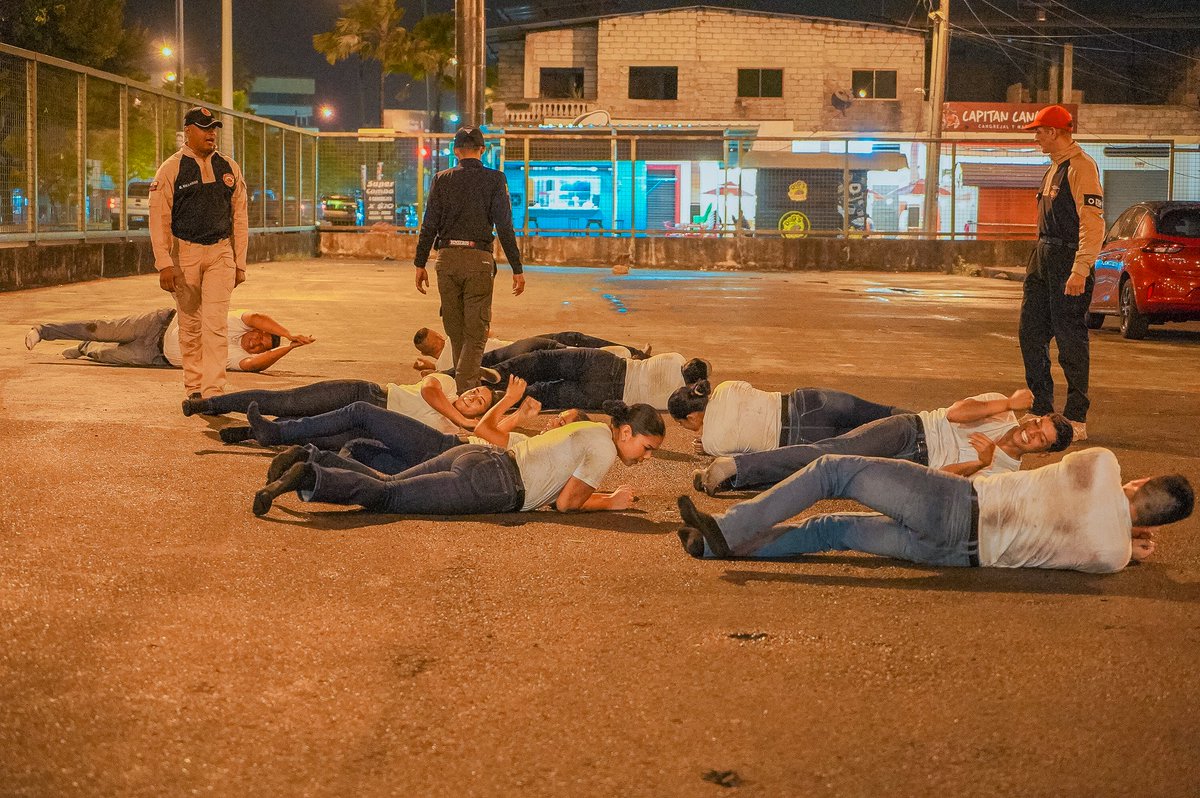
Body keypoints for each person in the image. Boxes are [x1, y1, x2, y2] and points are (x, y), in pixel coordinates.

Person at [676, 449, 1193, 574]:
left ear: (1140, 481)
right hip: (953, 555)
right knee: (829, 530)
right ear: (1150, 524)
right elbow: (1114, 540)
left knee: (833, 470)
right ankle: (714, 549)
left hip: (956, 504)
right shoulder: (1113, 557)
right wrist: (1132, 544)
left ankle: (727, 528)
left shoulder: (1102, 464)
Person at [253, 393, 665, 518]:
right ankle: (309, 476)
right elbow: (566, 503)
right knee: (390, 496)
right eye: (646, 448)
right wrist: (611, 502)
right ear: (626, 432)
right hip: (494, 485)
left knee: (391, 485)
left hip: (481, 461)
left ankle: (310, 459)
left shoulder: (587, 428)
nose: (645, 457)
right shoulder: (603, 447)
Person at [693, 388, 1072, 495]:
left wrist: (981, 464)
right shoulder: (1002, 413)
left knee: (828, 481)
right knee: (832, 452)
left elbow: (944, 478)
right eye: (1037, 423)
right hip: (911, 430)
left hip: (913, 470)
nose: (1031, 431)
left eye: (1041, 438)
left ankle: (737, 478)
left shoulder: (1006, 471)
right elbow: (956, 413)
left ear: (1042, 452)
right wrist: (1007, 402)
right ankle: (735, 466)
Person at [414, 126, 524, 394]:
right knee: (475, 337)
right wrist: (517, 268)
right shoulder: (495, 180)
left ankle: (463, 391)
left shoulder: (442, 179)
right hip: (479, 261)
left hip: (447, 259)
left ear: (456, 151)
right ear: (482, 150)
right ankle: (467, 396)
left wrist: (419, 263)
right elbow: (505, 227)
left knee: (457, 335)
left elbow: (429, 225)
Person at [150, 106, 249, 399]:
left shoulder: (229, 167)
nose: (211, 134)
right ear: (188, 131)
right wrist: (164, 264)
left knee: (216, 324)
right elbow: (159, 219)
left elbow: (240, 217)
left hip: (221, 253)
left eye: (214, 128)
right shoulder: (171, 169)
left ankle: (214, 390)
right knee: (190, 326)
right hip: (185, 256)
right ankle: (194, 387)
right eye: (204, 128)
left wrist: (239, 263)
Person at [1020, 104, 1103, 441]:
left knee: (1070, 339)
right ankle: (1041, 406)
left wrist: (1081, 268)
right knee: (1030, 332)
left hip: (1068, 259)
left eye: (1039, 130)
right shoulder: (1053, 168)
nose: (1037, 136)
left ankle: (1075, 416)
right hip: (1042, 255)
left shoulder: (1081, 167)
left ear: (1054, 132)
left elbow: (1092, 223)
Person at [181, 372, 493, 435]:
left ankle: (245, 434)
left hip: (364, 426)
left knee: (303, 433)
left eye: (480, 402)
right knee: (287, 403)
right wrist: (462, 418)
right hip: (363, 395)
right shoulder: (448, 386)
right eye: (476, 391)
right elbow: (429, 392)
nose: (473, 396)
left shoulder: (454, 434)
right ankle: (209, 404)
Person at [24, 308, 313, 373]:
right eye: (260, 336)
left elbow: (255, 366)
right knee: (100, 328)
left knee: (106, 355)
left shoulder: (237, 357)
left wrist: (286, 347)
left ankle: (82, 349)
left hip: (156, 357)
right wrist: (288, 333)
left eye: (263, 344)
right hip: (157, 323)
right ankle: (44, 330)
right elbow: (259, 317)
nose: (257, 340)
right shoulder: (238, 322)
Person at [669, 380, 911, 456]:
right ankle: (936, 421)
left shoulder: (713, 444)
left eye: (683, 424)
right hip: (810, 402)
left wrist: (708, 444)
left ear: (691, 417)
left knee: (883, 444)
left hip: (802, 439)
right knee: (884, 412)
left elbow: (749, 459)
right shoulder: (725, 387)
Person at [486, 349, 706, 411]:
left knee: (545, 361)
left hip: (607, 365)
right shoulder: (673, 400)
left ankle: (499, 374)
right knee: (545, 395)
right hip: (606, 396)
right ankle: (494, 400)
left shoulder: (674, 359)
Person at [412, 327, 651, 372]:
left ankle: (630, 356)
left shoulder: (445, 367)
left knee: (570, 344)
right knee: (573, 345)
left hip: (518, 354)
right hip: (519, 348)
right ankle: (631, 356)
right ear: (439, 337)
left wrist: (429, 367)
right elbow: (486, 330)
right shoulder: (458, 341)